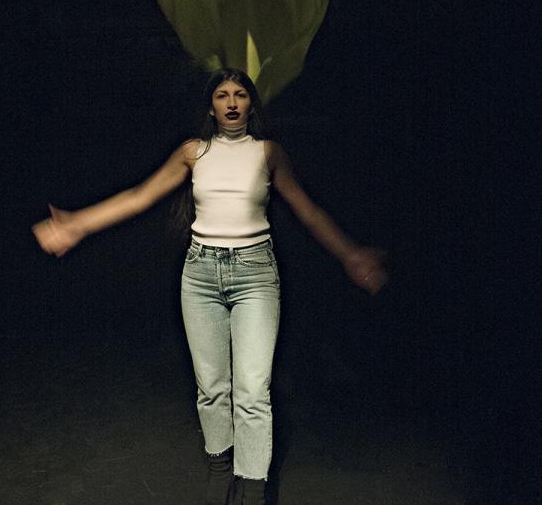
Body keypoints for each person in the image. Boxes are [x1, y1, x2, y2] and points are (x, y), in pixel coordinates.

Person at [32, 68, 388, 505]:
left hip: (255, 275)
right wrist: (78, 224)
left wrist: (350, 254)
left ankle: (253, 488)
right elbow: (140, 196)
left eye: (240, 94)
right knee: (212, 387)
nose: (232, 102)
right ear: (212, 105)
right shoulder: (192, 153)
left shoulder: (268, 153)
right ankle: (221, 468)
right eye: (223, 95)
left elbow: (308, 211)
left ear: (251, 104)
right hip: (200, 275)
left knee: (252, 391)